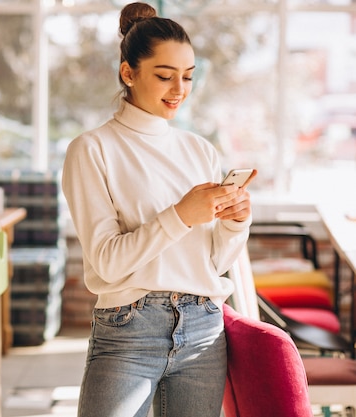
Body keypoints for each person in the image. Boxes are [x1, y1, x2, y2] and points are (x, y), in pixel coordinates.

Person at [61, 2, 257, 416]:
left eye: (188, 77)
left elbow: (214, 260)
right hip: (129, 331)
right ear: (128, 72)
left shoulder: (200, 150)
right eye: (165, 76)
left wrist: (235, 224)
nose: (179, 90)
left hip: (204, 328)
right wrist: (182, 214)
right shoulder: (92, 150)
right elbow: (108, 263)